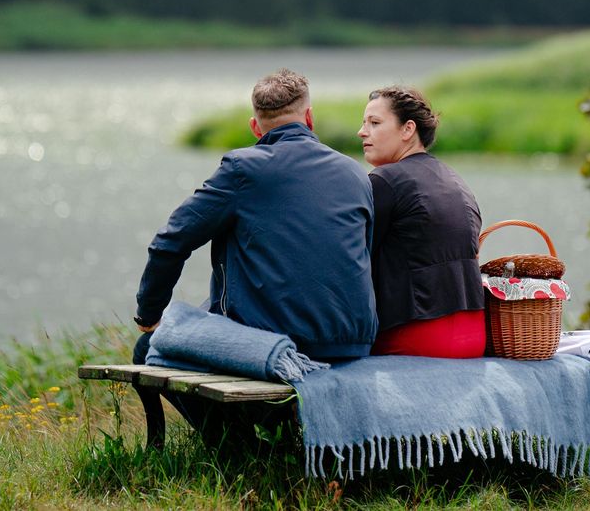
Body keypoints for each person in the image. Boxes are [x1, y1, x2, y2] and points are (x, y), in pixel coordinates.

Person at [133, 68, 378, 444]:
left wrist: (148, 314)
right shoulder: (355, 173)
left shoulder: (242, 168)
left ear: (255, 127)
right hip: (351, 342)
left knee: (147, 347)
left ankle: (236, 445)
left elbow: (170, 242)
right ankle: (274, 438)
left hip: (279, 343)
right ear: (309, 119)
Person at [358, 86, 485, 358]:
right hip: (476, 335)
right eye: (364, 123)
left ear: (408, 130)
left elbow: (354, 259)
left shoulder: (384, 181)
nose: (362, 131)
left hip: (419, 336)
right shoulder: (455, 180)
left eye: (375, 123)